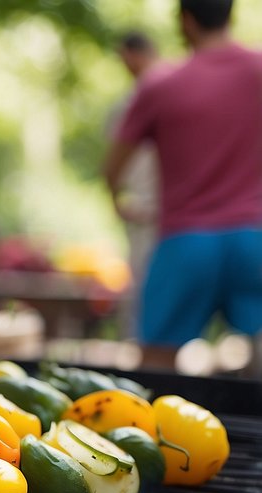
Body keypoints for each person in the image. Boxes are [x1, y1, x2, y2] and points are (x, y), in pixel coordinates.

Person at [103, 0, 262, 371]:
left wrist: (118, 201)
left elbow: (113, 168)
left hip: (185, 241)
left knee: (156, 364)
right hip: (254, 237)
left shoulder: (161, 84)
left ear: (186, 21)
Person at [106, 31, 166, 342]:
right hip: (149, 210)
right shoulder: (128, 103)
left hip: (165, 211)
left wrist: (115, 196)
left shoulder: (151, 96)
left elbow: (114, 164)